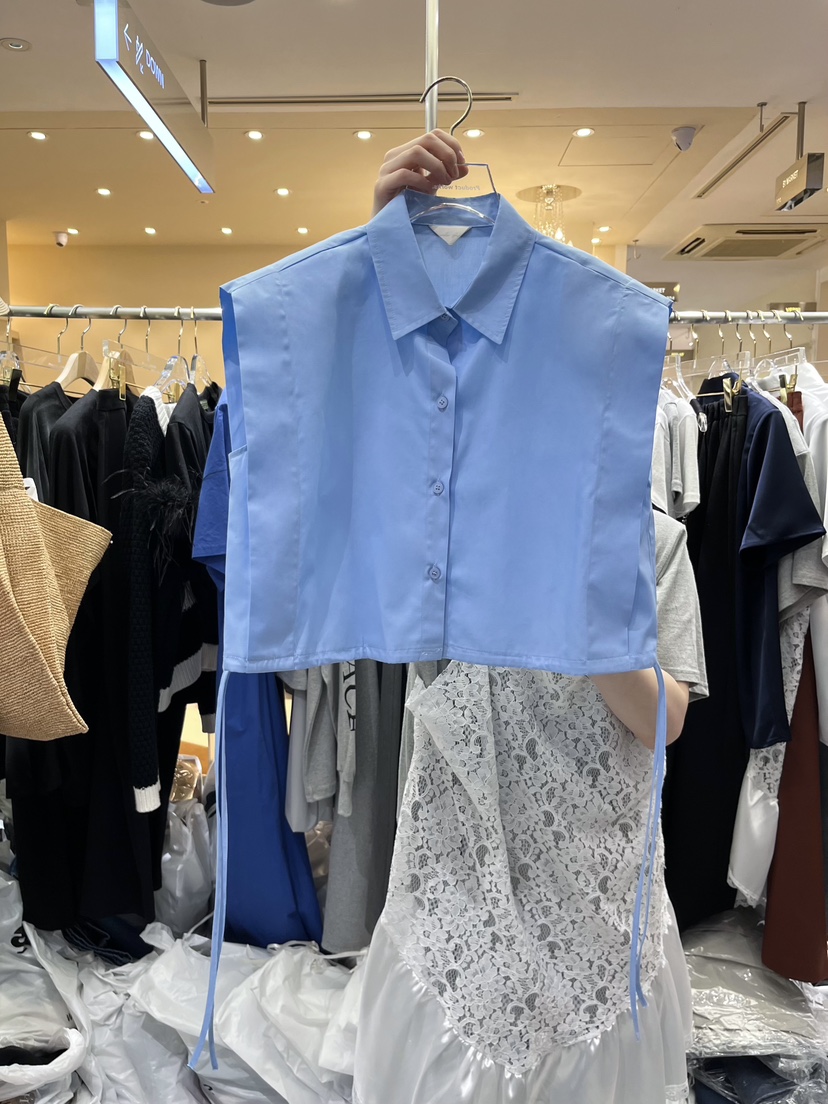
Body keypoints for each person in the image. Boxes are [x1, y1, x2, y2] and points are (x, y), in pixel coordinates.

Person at [354, 134, 708, 1104]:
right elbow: (377, 428)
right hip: (453, 893)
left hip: (598, 901)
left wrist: (573, 600)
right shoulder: (446, 519)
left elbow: (668, 720)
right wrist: (387, 252)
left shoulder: (652, 542)